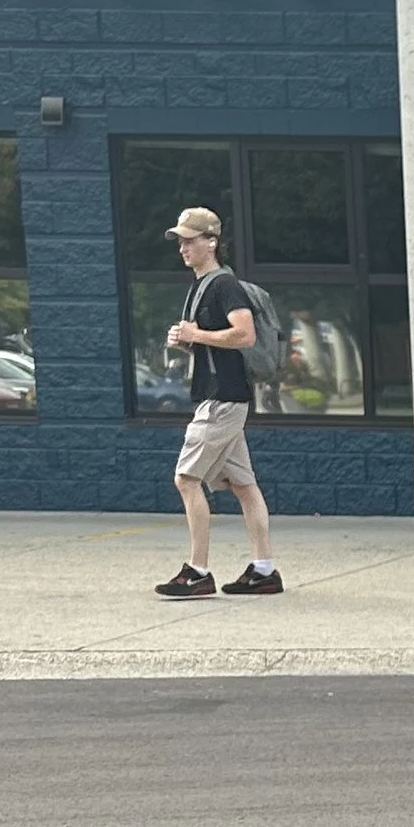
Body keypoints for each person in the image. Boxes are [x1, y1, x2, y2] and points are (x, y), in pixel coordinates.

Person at [154, 207, 282, 599]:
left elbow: (243, 335)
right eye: (180, 240)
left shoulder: (225, 286)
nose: (183, 247)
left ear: (212, 242)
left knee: (186, 479)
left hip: (222, 400)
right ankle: (264, 570)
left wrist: (199, 334)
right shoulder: (200, 286)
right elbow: (215, 339)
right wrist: (189, 339)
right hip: (223, 397)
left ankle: (197, 571)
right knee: (244, 485)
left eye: (191, 240)